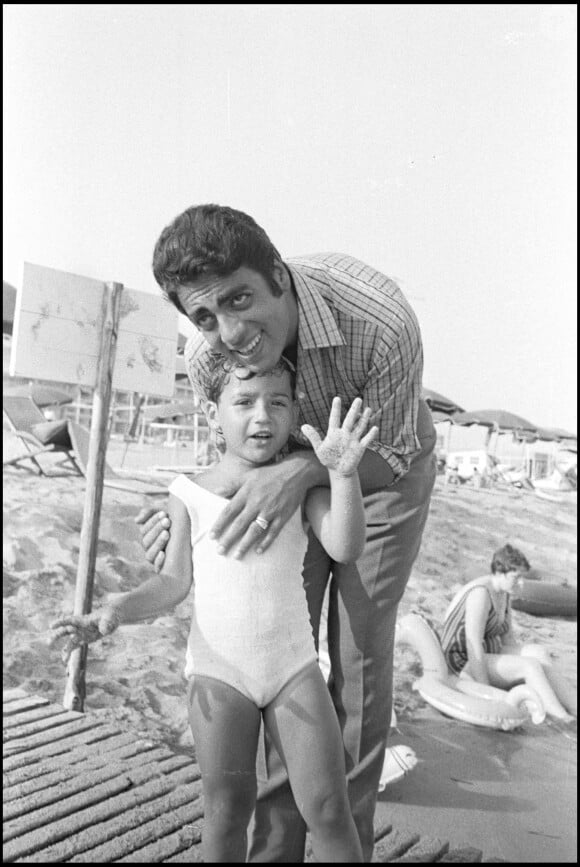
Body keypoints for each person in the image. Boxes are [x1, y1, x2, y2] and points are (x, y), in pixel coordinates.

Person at [136, 203, 437, 861]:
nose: (232, 332)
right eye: (207, 315)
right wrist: (182, 523)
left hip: (380, 473)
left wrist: (306, 474)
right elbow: (225, 465)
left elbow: (394, 454)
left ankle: (342, 838)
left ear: (278, 273)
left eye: (242, 298)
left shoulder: (380, 320)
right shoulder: (203, 349)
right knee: (273, 648)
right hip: (275, 484)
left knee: (354, 657)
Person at [53, 358, 377, 862]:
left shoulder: (300, 490)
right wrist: (116, 608)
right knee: (227, 810)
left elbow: (346, 546)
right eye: (244, 403)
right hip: (219, 674)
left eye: (278, 402)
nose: (262, 416)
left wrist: (343, 476)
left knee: (329, 808)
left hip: (294, 668)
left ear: (294, 413)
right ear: (212, 413)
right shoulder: (187, 493)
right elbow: (172, 581)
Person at [440, 543, 576, 722]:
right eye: (516, 577)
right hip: (462, 662)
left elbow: (508, 639)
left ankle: (574, 705)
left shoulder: (503, 592)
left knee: (537, 653)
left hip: (488, 653)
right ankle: (562, 718)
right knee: (530, 666)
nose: (521, 583)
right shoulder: (481, 594)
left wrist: (517, 668)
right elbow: (473, 645)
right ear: (499, 572)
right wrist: (484, 689)